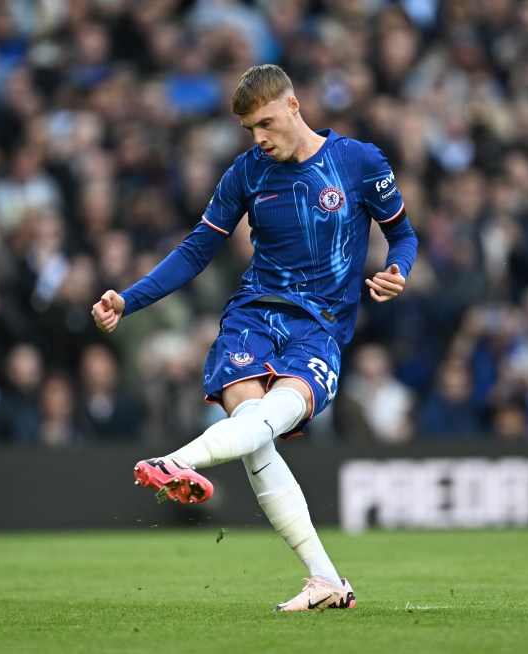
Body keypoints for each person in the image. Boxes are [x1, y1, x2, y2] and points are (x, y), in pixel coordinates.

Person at [91, 65, 417, 612]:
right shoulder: (246, 173)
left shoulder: (359, 162)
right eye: (249, 130)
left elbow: (401, 234)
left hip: (320, 328)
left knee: (262, 427)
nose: (259, 138)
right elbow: (197, 250)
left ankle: (182, 463)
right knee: (251, 428)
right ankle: (322, 580)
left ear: (293, 106)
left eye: (265, 123)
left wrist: (398, 270)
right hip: (253, 317)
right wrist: (129, 299)